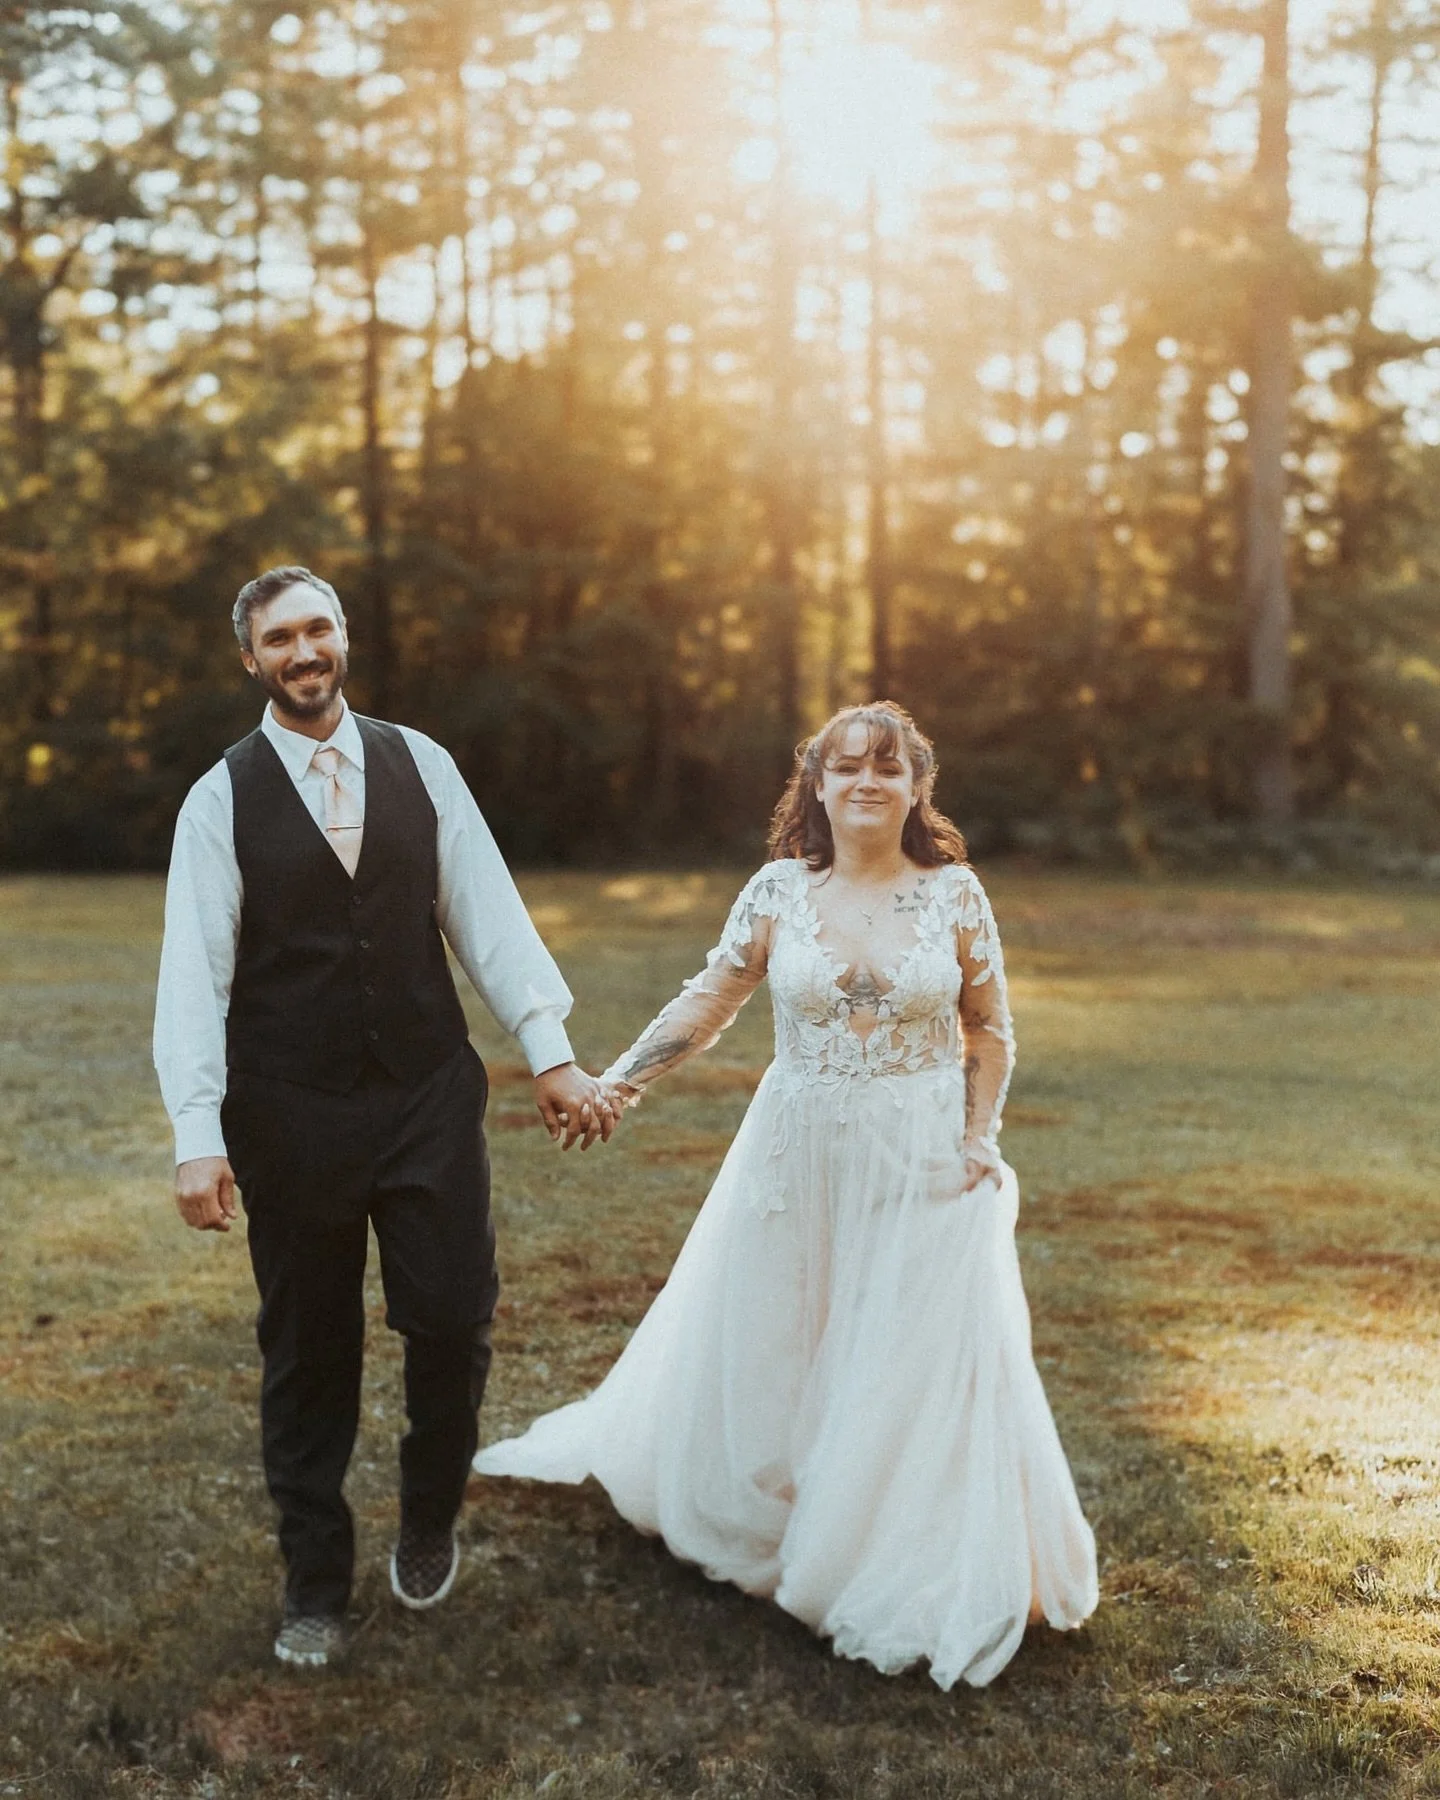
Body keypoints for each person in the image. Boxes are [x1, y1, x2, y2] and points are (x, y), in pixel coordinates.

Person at [474, 701, 1098, 1689]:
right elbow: (711, 998)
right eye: (844, 767)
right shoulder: (778, 891)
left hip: (919, 1157)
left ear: (916, 787)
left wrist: (979, 1138)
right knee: (786, 1327)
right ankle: (782, 1501)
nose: (865, 783)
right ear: (815, 783)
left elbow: (991, 1030)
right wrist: (622, 1081)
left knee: (899, 1350)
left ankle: (881, 1540)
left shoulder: (955, 896)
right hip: (797, 1147)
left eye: (886, 769)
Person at [153, 565, 615, 1669]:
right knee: (309, 1350)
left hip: (424, 1097)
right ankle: (314, 1584)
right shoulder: (220, 799)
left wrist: (548, 1055)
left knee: (453, 1319)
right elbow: (191, 977)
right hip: (291, 1112)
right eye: (280, 639)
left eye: (319, 629)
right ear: (251, 659)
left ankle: (427, 1511)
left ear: (344, 637)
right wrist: (196, 1134)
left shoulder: (423, 764)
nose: (304, 652)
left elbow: (487, 917)